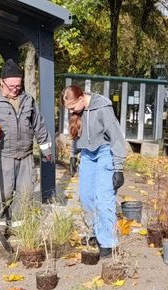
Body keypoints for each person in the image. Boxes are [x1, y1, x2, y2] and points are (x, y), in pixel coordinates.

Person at [0, 59, 53, 227]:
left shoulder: (28, 100)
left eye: (18, 86)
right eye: (11, 86)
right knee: (2, 193)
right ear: (1, 82)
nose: (15, 89)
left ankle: (19, 227)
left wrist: (46, 149)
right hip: (3, 155)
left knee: (24, 193)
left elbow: (38, 125)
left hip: (25, 156)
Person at [62, 85, 127, 258]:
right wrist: (73, 156)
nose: (71, 111)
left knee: (103, 197)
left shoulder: (102, 107)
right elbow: (76, 133)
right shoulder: (77, 110)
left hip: (105, 152)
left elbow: (116, 137)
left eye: (73, 107)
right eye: (68, 109)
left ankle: (108, 243)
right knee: (86, 196)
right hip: (87, 154)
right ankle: (95, 232)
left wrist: (118, 168)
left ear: (82, 98)